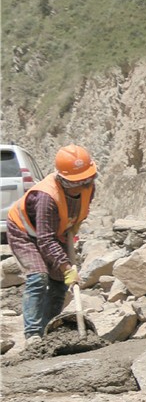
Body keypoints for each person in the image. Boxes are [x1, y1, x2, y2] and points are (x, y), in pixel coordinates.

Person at [6, 145, 97, 344]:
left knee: (59, 282)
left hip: (56, 231)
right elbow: (45, 240)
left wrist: (72, 229)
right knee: (39, 277)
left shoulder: (88, 188)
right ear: (64, 180)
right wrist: (67, 268)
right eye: (78, 181)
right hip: (24, 232)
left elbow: (78, 212)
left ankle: (48, 330)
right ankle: (33, 335)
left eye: (87, 179)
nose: (83, 184)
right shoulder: (46, 197)